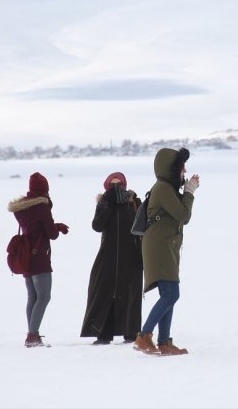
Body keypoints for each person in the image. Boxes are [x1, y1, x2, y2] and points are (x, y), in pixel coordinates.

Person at [133, 147, 199, 356]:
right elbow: (183, 215)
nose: (184, 170)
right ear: (171, 169)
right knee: (171, 294)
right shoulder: (162, 188)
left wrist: (185, 190)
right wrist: (189, 193)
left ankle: (164, 343)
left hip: (165, 245)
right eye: (181, 167)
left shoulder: (167, 188)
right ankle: (144, 337)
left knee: (168, 294)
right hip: (159, 246)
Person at [80, 171, 144, 345]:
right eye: (113, 185)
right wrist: (108, 204)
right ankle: (103, 334)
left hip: (131, 255)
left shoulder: (134, 203)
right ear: (107, 186)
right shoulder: (103, 203)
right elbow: (97, 226)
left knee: (130, 293)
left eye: (119, 185)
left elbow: (143, 227)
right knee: (104, 292)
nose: (116, 188)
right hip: (107, 255)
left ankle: (130, 333)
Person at [7, 172, 70, 348]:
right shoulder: (42, 207)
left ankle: (32, 334)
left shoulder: (21, 208)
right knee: (44, 297)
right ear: (45, 189)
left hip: (27, 255)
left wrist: (54, 225)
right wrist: (58, 228)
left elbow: (36, 228)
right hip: (40, 257)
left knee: (32, 297)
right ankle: (33, 336)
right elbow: (51, 234)